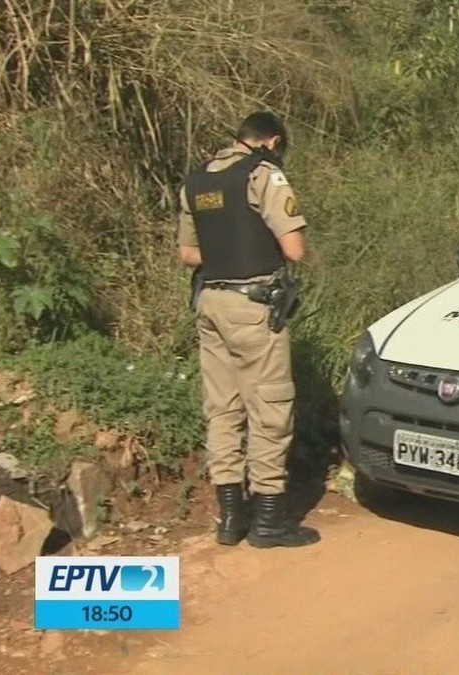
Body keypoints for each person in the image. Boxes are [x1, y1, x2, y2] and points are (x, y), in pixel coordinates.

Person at [176, 111, 319, 549]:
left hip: (210, 303)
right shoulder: (264, 176)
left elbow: (187, 253)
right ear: (271, 142)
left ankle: (230, 518)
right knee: (270, 406)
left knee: (222, 409)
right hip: (253, 307)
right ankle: (269, 521)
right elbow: (294, 250)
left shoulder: (196, 180)